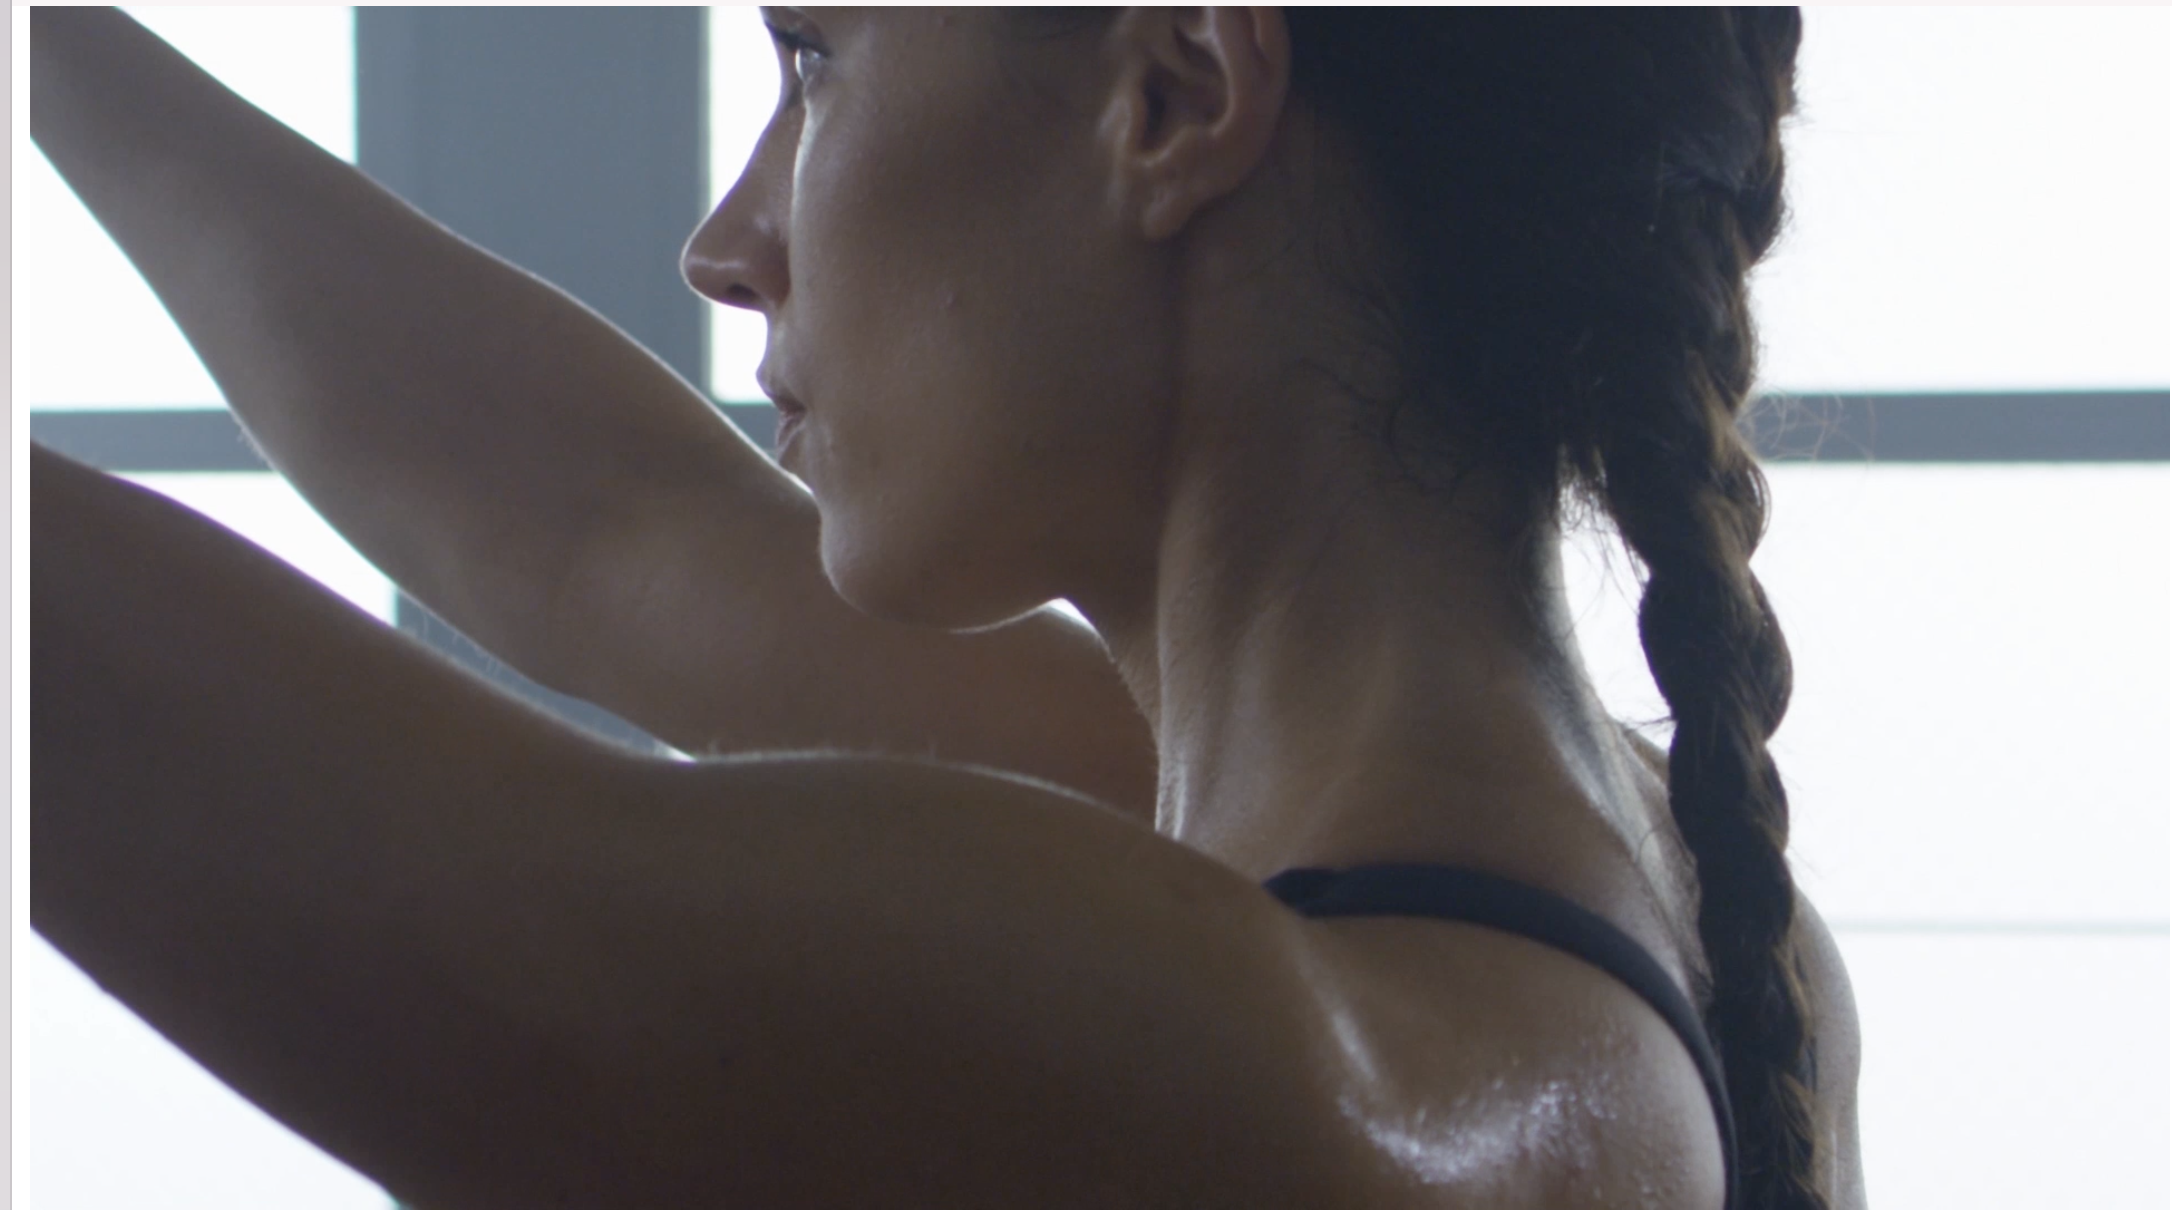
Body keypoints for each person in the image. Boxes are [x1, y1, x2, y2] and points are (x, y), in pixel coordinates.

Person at [31, 7, 1865, 1208]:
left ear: (1174, 99)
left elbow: (434, 869)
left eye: (815, 59)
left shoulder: (1298, 1085)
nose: (727, 239)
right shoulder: (1643, 896)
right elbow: (603, 532)